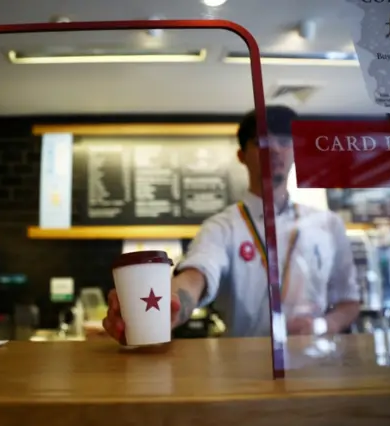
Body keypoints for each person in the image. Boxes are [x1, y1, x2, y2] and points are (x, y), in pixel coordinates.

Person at [103, 106, 360, 343]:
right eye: (261, 142)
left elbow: (349, 302)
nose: (275, 150)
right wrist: (166, 307)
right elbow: (196, 275)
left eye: (284, 141)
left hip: (317, 366)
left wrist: (321, 326)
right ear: (241, 155)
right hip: (245, 371)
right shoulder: (221, 227)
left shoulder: (329, 225)